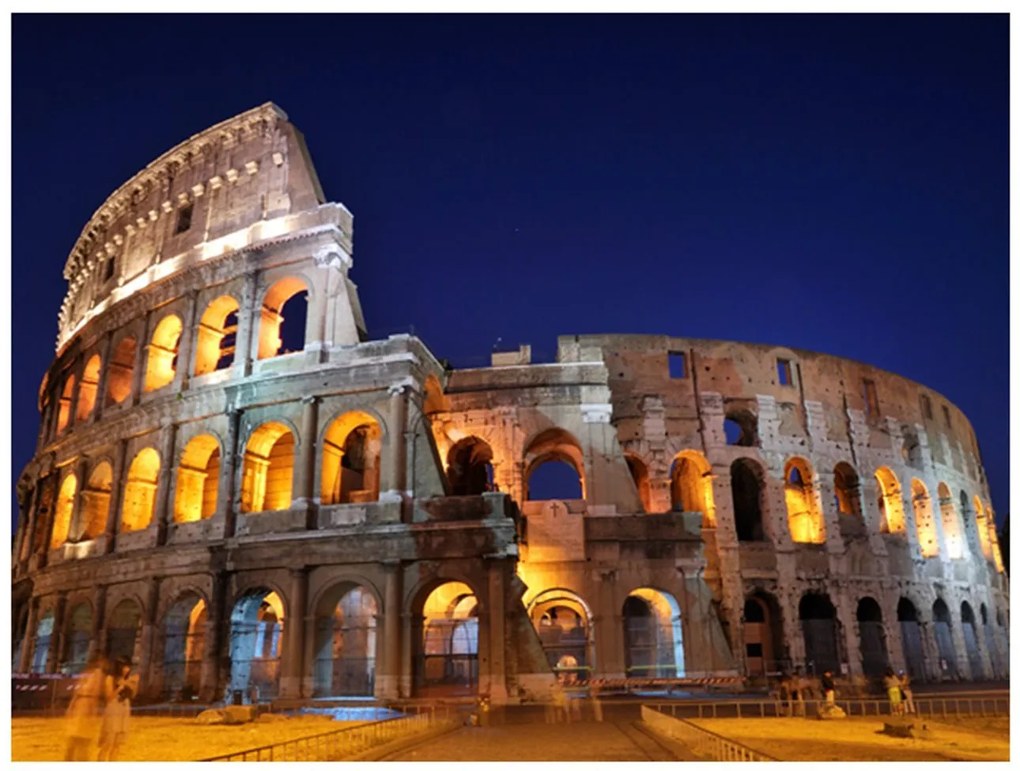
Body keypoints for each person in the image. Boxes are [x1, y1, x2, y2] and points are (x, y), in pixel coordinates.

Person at [65, 653, 108, 761]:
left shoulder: (86, 673)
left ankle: (69, 759)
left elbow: (77, 691)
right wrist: (93, 711)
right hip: (86, 705)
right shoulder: (97, 673)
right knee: (82, 737)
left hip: (80, 704)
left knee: (74, 736)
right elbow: (95, 693)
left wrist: (71, 706)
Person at [97, 657, 137, 761]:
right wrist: (119, 687)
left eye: (128, 667)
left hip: (124, 709)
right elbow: (109, 697)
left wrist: (132, 685)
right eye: (124, 667)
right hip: (113, 710)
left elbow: (133, 695)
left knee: (117, 745)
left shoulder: (128, 680)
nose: (126, 669)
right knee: (108, 743)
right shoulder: (110, 678)